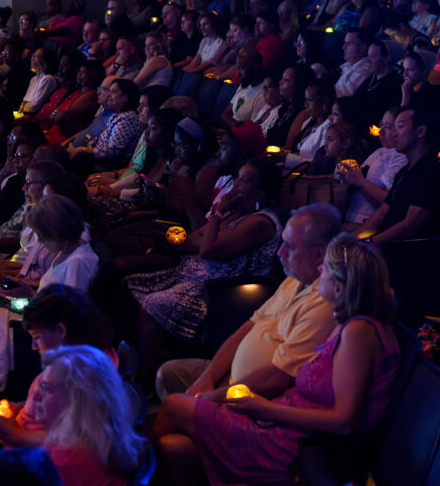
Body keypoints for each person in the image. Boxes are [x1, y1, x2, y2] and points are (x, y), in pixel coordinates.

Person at [152, 233, 399, 486]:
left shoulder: (359, 332)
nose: (319, 270)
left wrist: (265, 408)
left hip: (293, 444)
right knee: (171, 449)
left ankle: (119, 474)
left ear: (338, 286)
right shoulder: (348, 324)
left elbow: (344, 421)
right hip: (276, 425)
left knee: (173, 405)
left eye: (324, 269)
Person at [154, 203, 341, 402]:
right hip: (231, 381)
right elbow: (248, 327)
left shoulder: (325, 303)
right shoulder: (294, 279)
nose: (280, 253)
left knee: (173, 411)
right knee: (165, 375)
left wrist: (213, 397)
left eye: (290, 247)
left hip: (254, 399)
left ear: (319, 255)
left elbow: (278, 379)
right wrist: (207, 377)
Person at [124, 158, 283, 373]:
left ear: (261, 192)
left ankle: (144, 379)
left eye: (244, 181)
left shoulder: (260, 222)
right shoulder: (240, 213)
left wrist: (218, 215)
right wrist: (215, 228)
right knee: (128, 283)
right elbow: (195, 238)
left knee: (154, 304)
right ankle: (140, 359)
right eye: (237, 177)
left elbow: (207, 249)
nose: (235, 184)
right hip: (192, 275)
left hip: (215, 291)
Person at [33, 346, 148, 484]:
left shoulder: (67, 458)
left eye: (46, 388)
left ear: (76, 401)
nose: (36, 395)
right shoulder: (104, 439)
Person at [355, 105, 440, 243]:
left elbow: (410, 225)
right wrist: (351, 239)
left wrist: (369, 243)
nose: (394, 133)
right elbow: (383, 212)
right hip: (384, 243)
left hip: (408, 250)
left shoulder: (433, 171)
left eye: (400, 126)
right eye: (394, 128)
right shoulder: (404, 172)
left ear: (420, 131)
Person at [338, 108, 408, 225]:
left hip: (365, 223)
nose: (381, 131)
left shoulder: (400, 157)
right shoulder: (380, 151)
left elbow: (388, 203)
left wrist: (359, 181)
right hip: (349, 217)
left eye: (388, 127)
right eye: (381, 125)